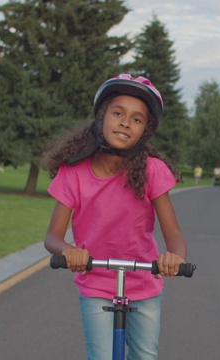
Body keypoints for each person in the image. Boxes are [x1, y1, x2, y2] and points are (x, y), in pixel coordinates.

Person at [42, 74, 188, 359]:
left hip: (144, 282)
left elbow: (174, 235)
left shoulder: (152, 170)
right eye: (118, 113)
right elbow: (52, 237)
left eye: (136, 119)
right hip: (95, 281)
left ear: (144, 131)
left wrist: (175, 258)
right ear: (101, 117)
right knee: (101, 357)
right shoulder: (73, 172)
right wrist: (69, 251)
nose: (125, 122)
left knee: (145, 355)